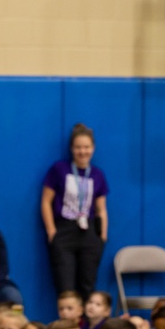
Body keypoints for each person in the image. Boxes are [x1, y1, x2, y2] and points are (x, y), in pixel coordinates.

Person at [41, 122, 110, 299]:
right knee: (66, 287)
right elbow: (46, 201)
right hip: (64, 229)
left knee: (88, 286)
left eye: (86, 147)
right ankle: (68, 326)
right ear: (72, 148)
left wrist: (102, 236)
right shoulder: (59, 169)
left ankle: (87, 326)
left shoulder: (98, 174)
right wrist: (51, 231)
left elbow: (101, 209)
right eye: (78, 147)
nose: (82, 152)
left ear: (93, 148)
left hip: (89, 230)